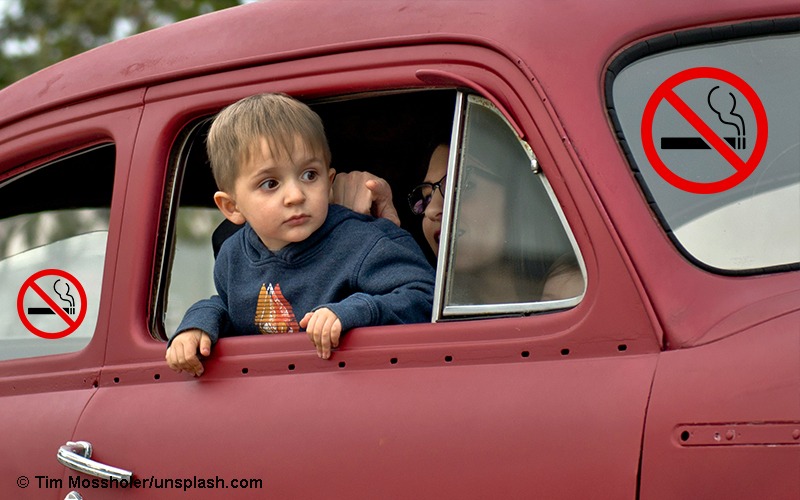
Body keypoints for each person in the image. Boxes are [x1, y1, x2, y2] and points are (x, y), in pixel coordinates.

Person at [166, 93, 435, 376]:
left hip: (355, 383)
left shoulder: (365, 241)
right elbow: (231, 306)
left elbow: (425, 297)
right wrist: (197, 325)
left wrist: (353, 311)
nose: (296, 195)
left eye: (309, 175)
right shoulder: (232, 256)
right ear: (231, 207)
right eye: (270, 183)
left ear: (328, 183)